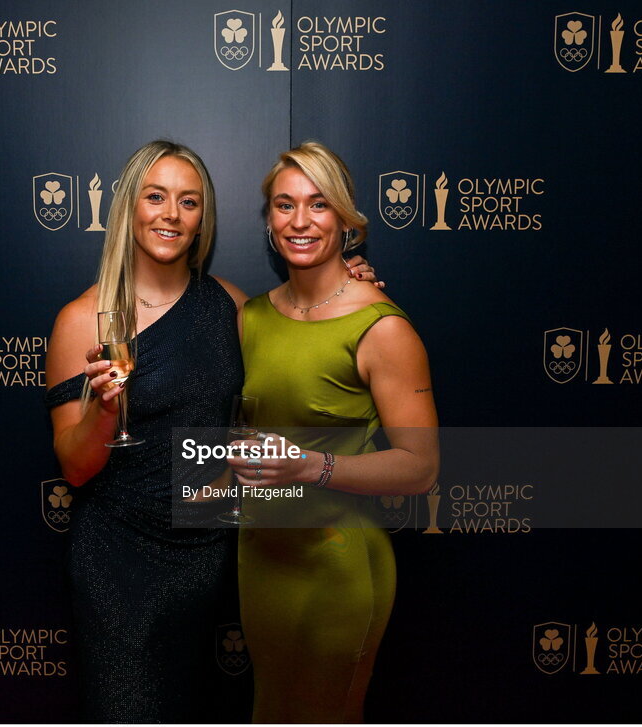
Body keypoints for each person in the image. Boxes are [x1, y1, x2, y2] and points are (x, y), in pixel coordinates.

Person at [44, 140, 379, 722]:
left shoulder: (228, 304)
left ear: (203, 220)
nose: (171, 214)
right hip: (121, 561)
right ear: (129, 207)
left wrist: (342, 285)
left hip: (211, 555)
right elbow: (74, 469)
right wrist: (101, 410)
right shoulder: (82, 319)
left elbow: (294, 337)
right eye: (156, 197)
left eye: (189, 201)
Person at [229, 141, 439, 723]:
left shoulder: (383, 327)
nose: (300, 221)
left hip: (338, 563)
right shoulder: (251, 318)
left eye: (318, 205)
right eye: (284, 204)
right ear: (268, 221)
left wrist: (310, 468)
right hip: (261, 558)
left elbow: (420, 468)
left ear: (346, 220)